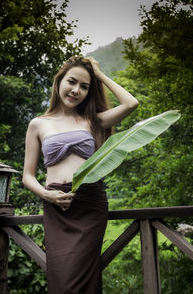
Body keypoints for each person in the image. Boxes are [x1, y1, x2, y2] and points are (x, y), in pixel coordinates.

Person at [22, 56, 138, 294]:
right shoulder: (38, 124)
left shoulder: (92, 120)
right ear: (59, 81)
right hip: (56, 206)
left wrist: (99, 74)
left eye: (84, 86)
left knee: (82, 281)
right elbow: (27, 176)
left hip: (90, 204)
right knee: (62, 282)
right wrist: (47, 195)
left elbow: (130, 104)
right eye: (72, 82)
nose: (76, 90)